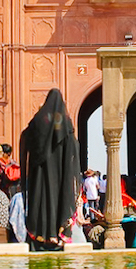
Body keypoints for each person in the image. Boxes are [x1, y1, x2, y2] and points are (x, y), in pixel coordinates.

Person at [19, 88, 80, 250]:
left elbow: (27, 135)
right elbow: (73, 145)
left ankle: (42, 235)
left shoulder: (39, 121)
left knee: (41, 201)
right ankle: (58, 235)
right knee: (60, 199)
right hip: (61, 174)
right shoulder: (64, 123)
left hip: (39, 174)